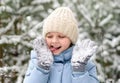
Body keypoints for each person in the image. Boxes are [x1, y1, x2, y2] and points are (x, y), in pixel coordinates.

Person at [23, 7, 99, 83]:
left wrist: (79, 72)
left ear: (71, 39)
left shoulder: (84, 64)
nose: (54, 41)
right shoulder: (37, 61)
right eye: (49, 36)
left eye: (61, 36)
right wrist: (42, 68)